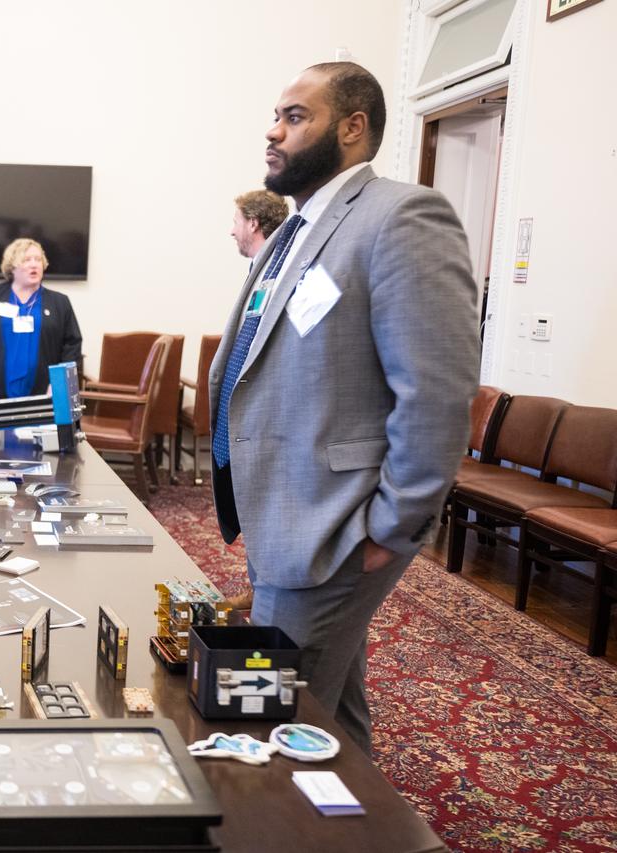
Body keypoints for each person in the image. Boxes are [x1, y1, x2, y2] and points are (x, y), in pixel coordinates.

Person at [207, 62, 479, 754]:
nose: (274, 131)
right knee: (331, 706)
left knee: (273, 722)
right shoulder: (292, 232)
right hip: (283, 512)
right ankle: (367, 807)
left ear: (354, 128)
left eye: (296, 117)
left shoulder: (402, 217)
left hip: (334, 525)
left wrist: (393, 525)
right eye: (276, 115)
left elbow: (436, 392)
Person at [221, 189, 288, 615]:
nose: (231, 230)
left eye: (235, 221)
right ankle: (259, 587)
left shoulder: (282, 271)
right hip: (244, 417)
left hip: (266, 418)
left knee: (263, 508)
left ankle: (268, 594)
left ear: (253, 223)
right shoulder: (260, 270)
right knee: (249, 504)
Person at [0, 238, 83, 399]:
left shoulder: (59, 302)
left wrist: (59, 384)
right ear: (12, 266)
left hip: (42, 393)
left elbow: (72, 346)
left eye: (38, 259)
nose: (34, 265)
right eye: (27, 260)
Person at [230, 189, 289, 261]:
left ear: (253, 224)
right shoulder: (279, 260)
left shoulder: (275, 264)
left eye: (236, 223)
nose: (232, 232)